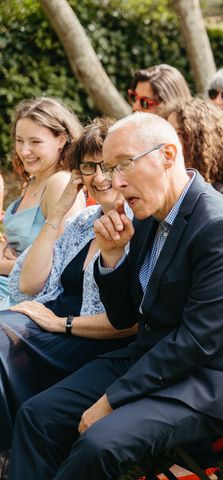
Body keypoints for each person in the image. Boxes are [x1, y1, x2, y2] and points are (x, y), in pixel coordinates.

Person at [8, 112, 223, 479]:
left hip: (217, 377)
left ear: (168, 155)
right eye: (107, 168)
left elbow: (196, 342)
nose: (115, 182)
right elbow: (125, 317)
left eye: (125, 165)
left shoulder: (221, 228)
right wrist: (111, 256)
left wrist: (111, 400)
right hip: (154, 356)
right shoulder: (146, 215)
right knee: (38, 415)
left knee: (99, 444)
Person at [0, 118, 136, 451]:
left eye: (107, 165)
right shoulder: (82, 222)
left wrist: (60, 324)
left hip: (90, 338)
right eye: (89, 167)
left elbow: (130, 320)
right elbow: (30, 284)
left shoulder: (140, 226)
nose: (100, 177)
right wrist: (58, 212)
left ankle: (6, 449)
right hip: (47, 322)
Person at [0, 97, 86, 300]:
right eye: (20, 141)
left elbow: (60, 265)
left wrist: (4, 264)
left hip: (27, 298)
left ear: (62, 139)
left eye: (35, 142)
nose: (24, 151)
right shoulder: (31, 181)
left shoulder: (60, 183)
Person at [160, 97, 223, 205]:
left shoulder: (219, 193)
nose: (169, 139)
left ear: (200, 142)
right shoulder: (164, 180)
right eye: (168, 131)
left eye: (180, 133)